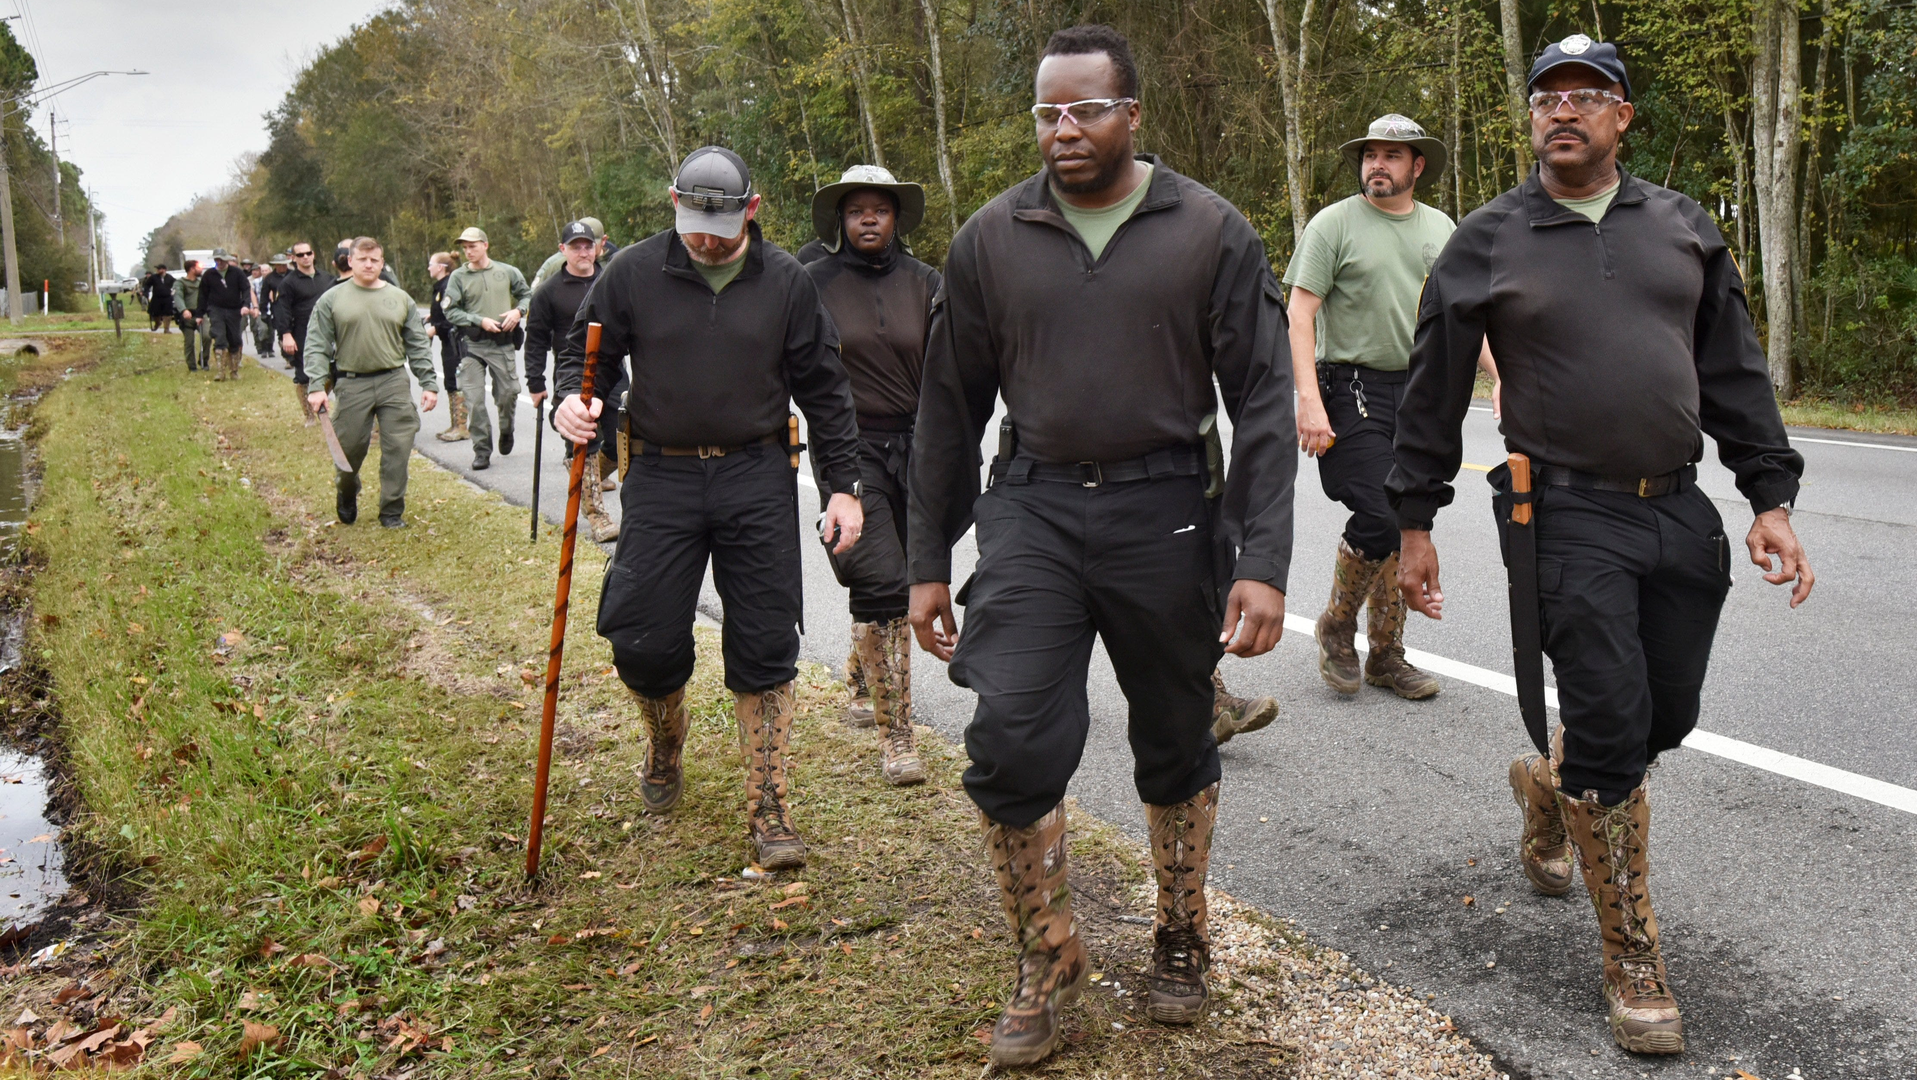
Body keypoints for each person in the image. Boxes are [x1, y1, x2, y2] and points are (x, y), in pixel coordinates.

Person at [1388, 35, 1814, 1057]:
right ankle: (1633, 958)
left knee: (1666, 714)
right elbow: (1432, 388)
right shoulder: (1488, 239)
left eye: (1587, 95)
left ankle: (1553, 785)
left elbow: (1736, 369)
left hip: (1677, 510)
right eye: (1547, 97)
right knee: (1617, 727)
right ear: (1531, 119)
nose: (1562, 111)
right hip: (1563, 516)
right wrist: (1413, 522)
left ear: (1624, 116)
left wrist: (1770, 496)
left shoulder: (1682, 227)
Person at [907, 25, 1296, 1065]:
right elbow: (949, 410)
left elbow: (1263, 403)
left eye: (1085, 109)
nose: (1064, 129)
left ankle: (1180, 933)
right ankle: (1046, 954)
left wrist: (1260, 560)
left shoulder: (1209, 231)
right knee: (1008, 741)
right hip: (1032, 508)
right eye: (1048, 112)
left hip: (1166, 509)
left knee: (1174, 739)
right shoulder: (993, 239)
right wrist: (928, 560)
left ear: (1133, 115)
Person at [552, 145, 864, 874]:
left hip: (756, 473)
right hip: (659, 474)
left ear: (751, 210)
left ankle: (769, 800)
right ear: (673, 203)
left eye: (720, 226)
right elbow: (584, 357)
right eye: (691, 222)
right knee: (641, 638)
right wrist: (574, 400)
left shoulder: (785, 281)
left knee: (763, 643)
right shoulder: (632, 271)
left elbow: (825, 388)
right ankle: (665, 738)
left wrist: (843, 486)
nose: (704, 240)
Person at [1284, 114, 1498, 702]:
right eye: (1370, 154)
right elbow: (1300, 313)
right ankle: (1335, 626)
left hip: (1422, 388)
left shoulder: (1443, 229)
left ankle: (1385, 654)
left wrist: (1501, 376)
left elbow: (1464, 318)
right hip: (1348, 383)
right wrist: (1308, 400)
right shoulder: (1334, 225)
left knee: (1409, 514)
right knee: (1380, 512)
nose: (1377, 164)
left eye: (1393, 156)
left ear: (1417, 166)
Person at [802, 164, 940, 784]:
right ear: (839, 218)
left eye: (879, 209)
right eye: (855, 209)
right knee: (885, 586)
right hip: (849, 450)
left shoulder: (928, 283)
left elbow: (954, 366)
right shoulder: (811, 283)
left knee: (906, 576)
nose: (867, 218)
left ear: (895, 218)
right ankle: (899, 740)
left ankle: (862, 678)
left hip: (920, 449)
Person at [302, 237, 440, 528]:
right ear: (349, 261)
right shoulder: (332, 299)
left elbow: (417, 343)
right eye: (362, 259)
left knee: (398, 449)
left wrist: (428, 382)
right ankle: (347, 491)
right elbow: (317, 344)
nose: (368, 264)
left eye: (374, 259)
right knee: (348, 450)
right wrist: (316, 386)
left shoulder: (400, 298)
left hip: (393, 381)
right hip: (352, 384)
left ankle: (391, 510)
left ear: (381, 262)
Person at [524, 221, 617, 541]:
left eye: (588, 245)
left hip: (613, 371)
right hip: (572, 375)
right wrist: (535, 383)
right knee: (585, 441)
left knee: (623, 440)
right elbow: (535, 338)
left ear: (598, 247)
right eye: (575, 246)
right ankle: (597, 515)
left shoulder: (610, 281)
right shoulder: (549, 291)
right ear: (562, 250)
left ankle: (590, 476)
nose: (583, 251)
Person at [442, 227, 531, 470]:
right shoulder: (458, 277)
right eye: (465, 247)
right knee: (474, 401)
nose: (468, 251)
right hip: (472, 346)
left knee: (508, 393)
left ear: (485, 245)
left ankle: (506, 428)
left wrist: (518, 311)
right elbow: (450, 310)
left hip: (501, 345)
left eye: (473, 246)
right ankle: (481, 450)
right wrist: (478, 320)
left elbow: (527, 295)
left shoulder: (507, 271)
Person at [274, 242, 332, 424]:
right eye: (300, 255)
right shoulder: (288, 283)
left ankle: (324, 403)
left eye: (308, 253)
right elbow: (282, 310)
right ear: (293, 258)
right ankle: (309, 416)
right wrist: (286, 334)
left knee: (333, 371)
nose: (305, 257)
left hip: (329, 331)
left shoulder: (327, 278)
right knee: (304, 373)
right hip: (302, 331)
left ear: (313, 254)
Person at [426, 252, 469, 442]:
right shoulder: (440, 287)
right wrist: (431, 318)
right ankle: (454, 424)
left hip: (455, 340)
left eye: (431, 264)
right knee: (450, 381)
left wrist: (435, 328)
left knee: (457, 381)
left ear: (441, 267)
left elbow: (452, 316)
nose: (428, 268)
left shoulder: (449, 285)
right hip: (446, 341)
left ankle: (461, 426)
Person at [195, 249, 254, 382]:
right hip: (216, 309)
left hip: (234, 310)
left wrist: (246, 305)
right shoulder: (209, 275)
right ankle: (221, 372)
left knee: (235, 339)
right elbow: (202, 295)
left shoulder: (237, 273)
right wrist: (199, 314)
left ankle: (234, 371)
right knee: (219, 337)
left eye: (222, 260)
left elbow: (245, 289)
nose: (219, 262)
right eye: (217, 260)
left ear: (227, 260)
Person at [531, 216, 617, 288]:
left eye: (589, 246)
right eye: (576, 247)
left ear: (604, 240)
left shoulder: (616, 264)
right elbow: (536, 294)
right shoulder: (557, 265)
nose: (584, 253)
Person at [173, 261, 205, 370]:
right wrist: (183, 310)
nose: (201, 269)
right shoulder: (180, 283)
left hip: (201, 314)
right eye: (199, 267)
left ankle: (204, 361)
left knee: (207, 336)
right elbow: (178, 297)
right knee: (189, 342)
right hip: (188, 316)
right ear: (192, 269)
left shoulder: (201, 283)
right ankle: (192, 366)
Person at [258, 256, 289, 361]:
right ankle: (288, 356)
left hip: (294, 306)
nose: (282, 267)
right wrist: (263, 311)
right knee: (282, 331)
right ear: (275, 265)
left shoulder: (293, 274)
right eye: (280, 265)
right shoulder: (270, 278)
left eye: (284, 264)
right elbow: (264, 295)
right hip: (278, 307)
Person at [140, 264, 175, 333]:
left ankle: (166, 329)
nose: (158, 270)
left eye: (160, 269)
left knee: (168, 313)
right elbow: (147, 285)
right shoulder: (153, 277)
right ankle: (157, 323)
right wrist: (145, 292)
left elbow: (176, 284)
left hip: (167, 297)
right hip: (157, 298)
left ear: (164, 270)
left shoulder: (169, 277)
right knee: (155, 313)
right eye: (158, 269)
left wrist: (175, 291)